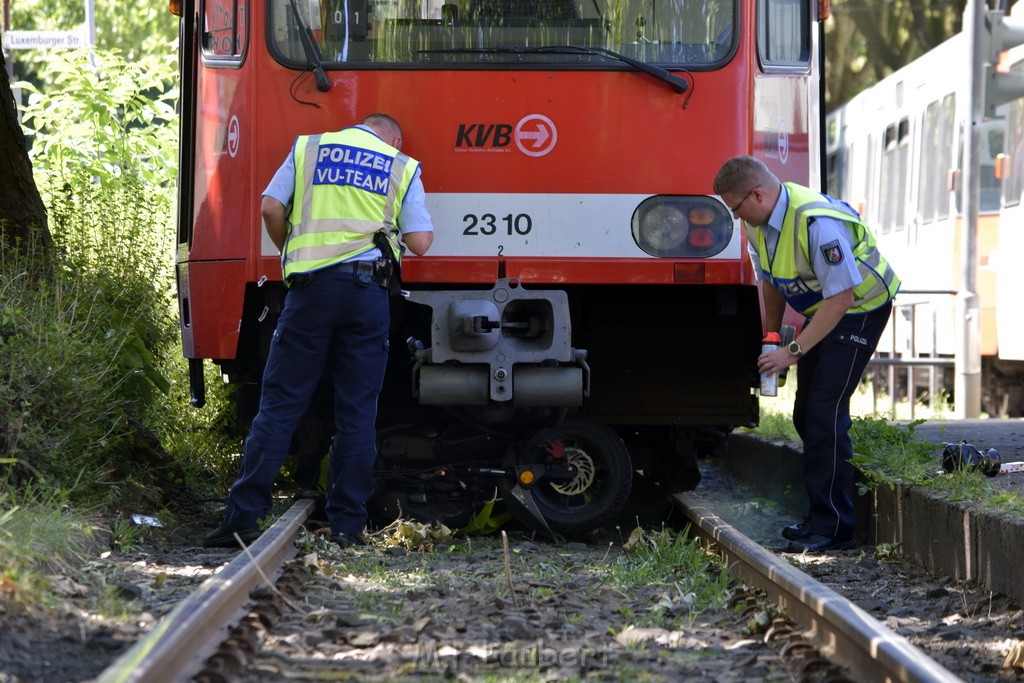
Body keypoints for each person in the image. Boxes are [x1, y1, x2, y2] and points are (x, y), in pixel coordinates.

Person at [203, 113, 434, 549]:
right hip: (368, 296)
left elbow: (270, 207)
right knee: (357, 415)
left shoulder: (308, 147)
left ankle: (243, 519)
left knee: (280, 406)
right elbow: (420, 241)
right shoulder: (400, 164)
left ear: (356, 128)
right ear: (394, 137)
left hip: (310, 293)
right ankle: (348, 526)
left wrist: (290, 253)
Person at [713, 156, 900, 553]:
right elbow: (772, 282)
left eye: (735, 207)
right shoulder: (758, 226)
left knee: (824, 412)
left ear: (757, 193)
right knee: (806, 414)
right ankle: (820, 516)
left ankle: (836, 530)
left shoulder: (817, 225)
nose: (735, 217)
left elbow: (842, 297)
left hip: (860, 310)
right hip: (827, 312)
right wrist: (771, 338)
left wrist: (792, 352)